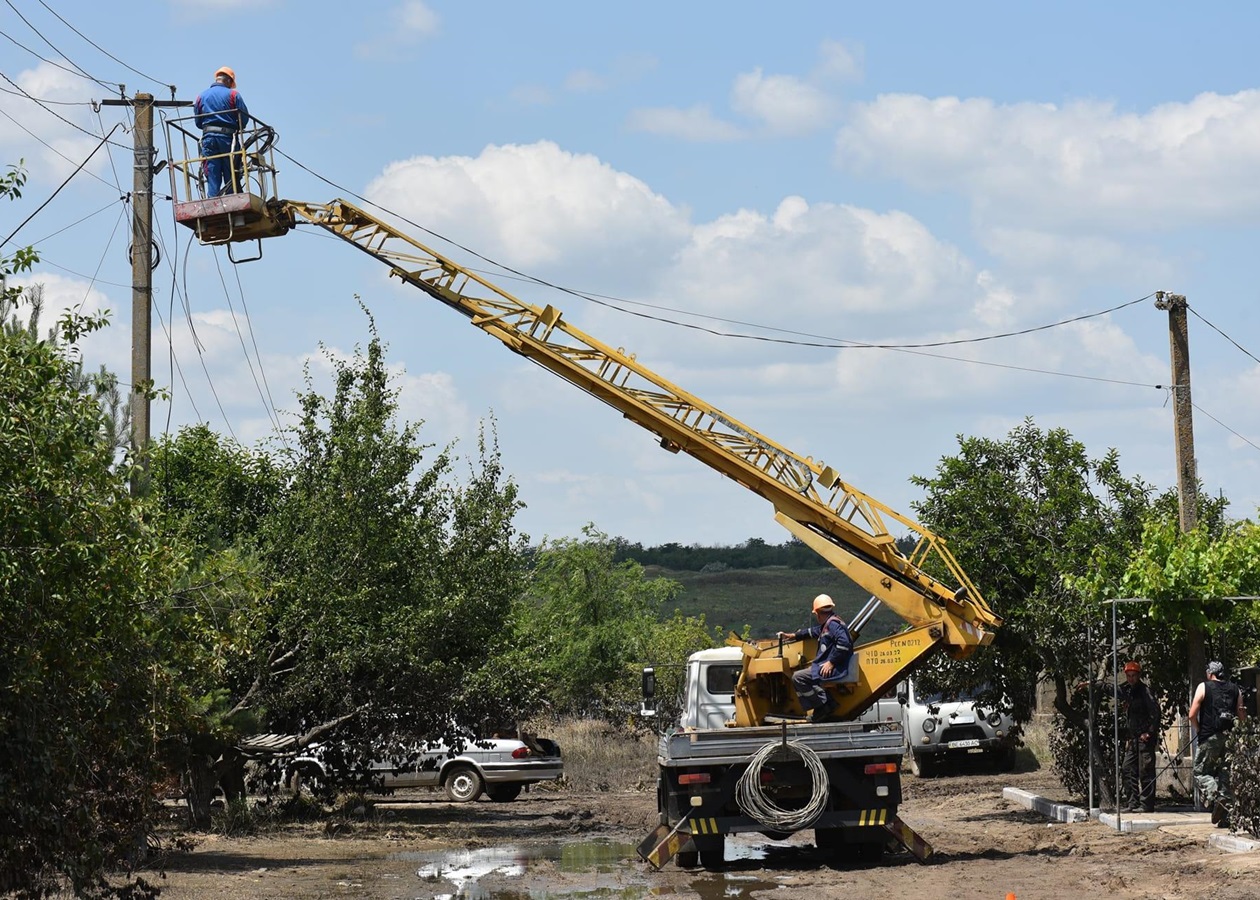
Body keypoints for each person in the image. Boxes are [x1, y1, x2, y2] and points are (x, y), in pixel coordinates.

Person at [776, 594, 853, 722]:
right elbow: (812, 632)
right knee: (809, 675)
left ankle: (822, 706)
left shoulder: (833, 625)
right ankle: (827, 702)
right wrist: (793, 636)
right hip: (830, 666)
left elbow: (844, 644)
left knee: (798, 677)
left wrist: (831, 662)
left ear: (817, 613)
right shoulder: (828, 624)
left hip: (835, 668)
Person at [1188, 660, 1246, 827]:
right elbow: (1241, 715)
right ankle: (1226, 817)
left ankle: (1217, 798)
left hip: (1209, 737)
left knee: (1200, 772)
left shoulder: (1204, 687)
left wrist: (1199, 730)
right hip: (1229, 738)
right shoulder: (1236, 689)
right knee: (1225, 776)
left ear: (1210, 673)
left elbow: (1192, 714)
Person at [194, 66, 250, 197]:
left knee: (212, 174)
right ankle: (233, 199)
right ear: (229, 81)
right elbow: (244, 119)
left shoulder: (201, 96)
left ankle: (212, 201)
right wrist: (237, 126)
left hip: (208, 139)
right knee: (232, 172)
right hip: (227, 139)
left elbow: (198, 122)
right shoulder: (233, 94)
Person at [1117, 661, 1160, 812]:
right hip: (1133, 739)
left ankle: (1146, 805)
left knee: (1145, 771)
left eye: (1133, 676)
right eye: (1128, 676)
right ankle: (1132, 803)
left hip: (1144, 739)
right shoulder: (1127, 690)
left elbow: (1155, 713)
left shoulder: (1145, 691)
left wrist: (1149, 732)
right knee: (1127, 769)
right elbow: (1112, 689)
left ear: (1139, 676)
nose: (1131, 679)